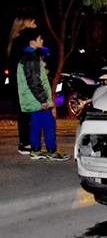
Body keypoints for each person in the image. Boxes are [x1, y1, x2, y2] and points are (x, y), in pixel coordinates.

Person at [16, 28, 70, 161]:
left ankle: (36, 150)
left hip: (30, 98)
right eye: (40, 39)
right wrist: (42, 99)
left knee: (36, 123)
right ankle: (51, 151)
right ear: (32, 41)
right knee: (49, 122)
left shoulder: (27, 57)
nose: (42, 40)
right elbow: (34, 82)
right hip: (35, 99)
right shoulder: (31, 59)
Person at [7, 17, 37, 154]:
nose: (36, 25)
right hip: (23, 83)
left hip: (20, 83)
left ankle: (24, 142)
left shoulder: (16, 42)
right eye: (33, 23)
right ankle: (26, 143)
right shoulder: (21, 43)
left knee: (24, 113)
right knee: (26, 113)